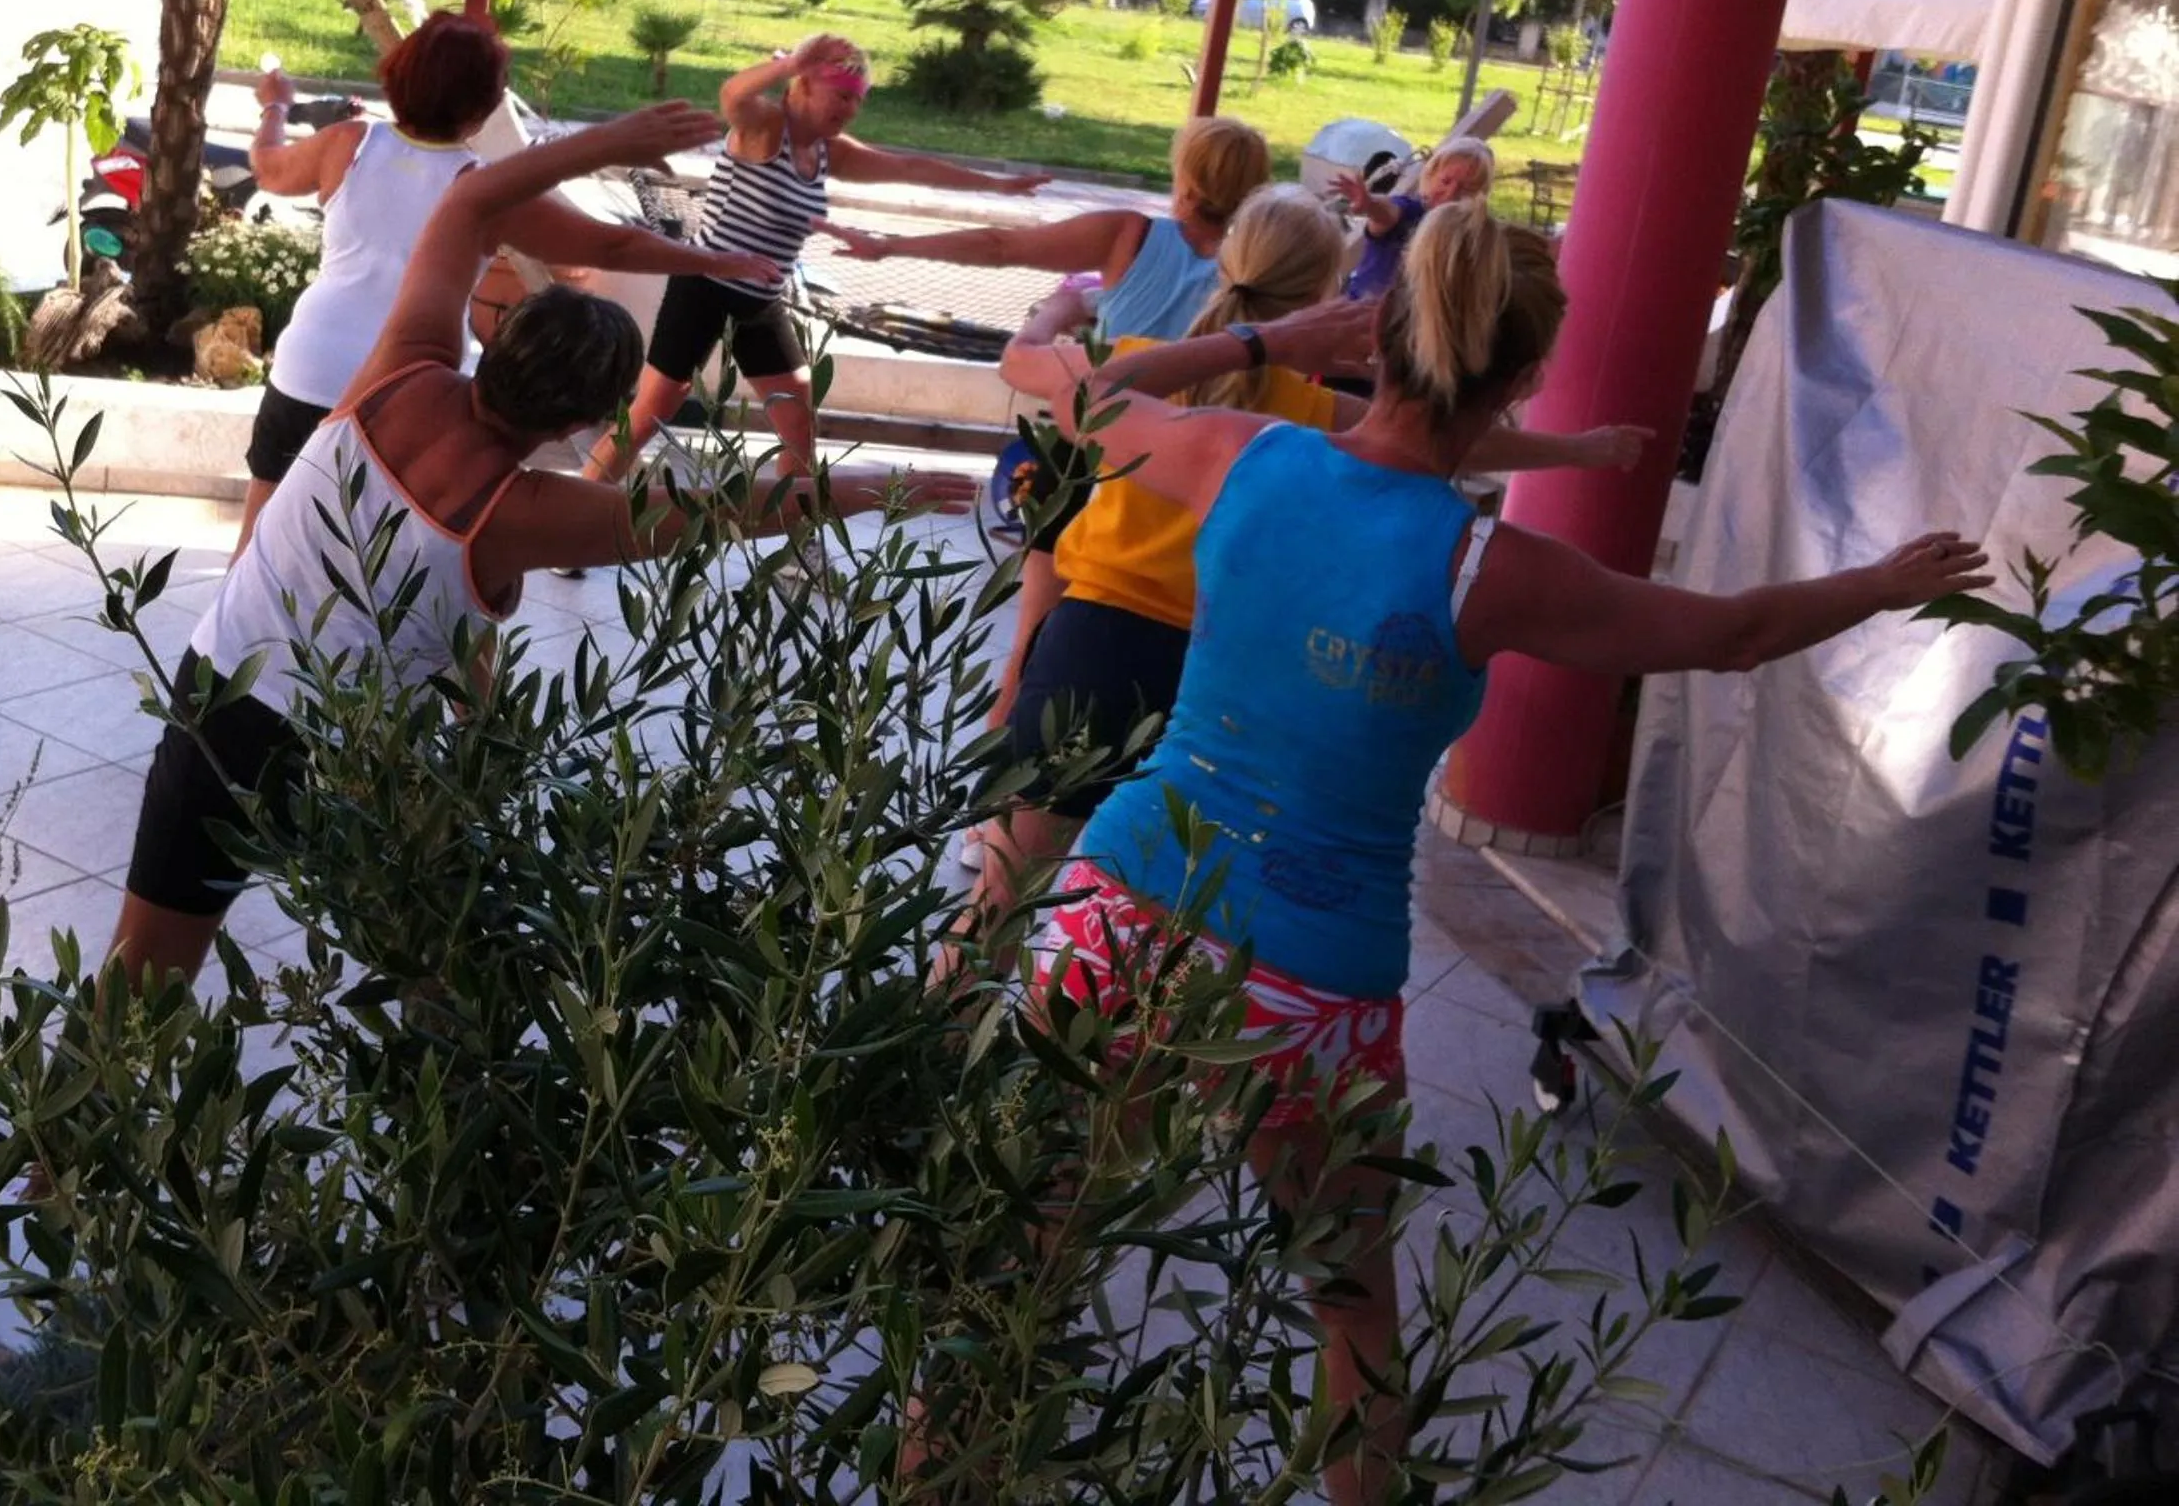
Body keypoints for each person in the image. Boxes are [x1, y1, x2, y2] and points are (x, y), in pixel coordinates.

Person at [999, 198, 1990, 1506]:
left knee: (1023, 1256)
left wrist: (1264, 339)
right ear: (1518, 376)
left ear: (1383, 333)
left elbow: (1085, 392)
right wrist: (1877, 582)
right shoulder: (1494, 567)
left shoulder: (1246, 455)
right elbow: (1731, 631)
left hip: (1124, 900)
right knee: (1354, 1316)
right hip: (1310, 983)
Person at [109, 102, 977, 991]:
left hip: (219, 690)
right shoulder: (522, 513)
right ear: (586, 422)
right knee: (448, 980)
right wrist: (872, 487)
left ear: (499, 336)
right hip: (337, 754)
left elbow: (465, 206)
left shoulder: (400, 371)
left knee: (139, 980)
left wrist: (611, 139)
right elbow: (724, 508)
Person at [967, 188, 1646, 969]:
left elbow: (1036, 374)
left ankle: (923, 1063)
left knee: (1001, 897)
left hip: (1095, 649)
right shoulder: (1309, 415)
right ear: (1327, 293)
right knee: (1173, 922)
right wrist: (1579, 452)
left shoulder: (1142, 367)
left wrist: (1056, 315)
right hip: (1208, 678)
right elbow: (1462, 444)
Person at [238, 11, 783, 555]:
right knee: (398, 561)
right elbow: (608, 245)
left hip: (310, 364)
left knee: (259, 544)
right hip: (415, 390)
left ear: (397, 75)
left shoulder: (348, 144)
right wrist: (715, 261)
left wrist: (276, 105)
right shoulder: (480, 193)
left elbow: (267, 167)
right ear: (480, 110)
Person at [826, 116, 1276, 754]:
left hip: (1090, 448)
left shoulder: (1130, 234)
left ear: (1186, 176)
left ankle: (995, 805)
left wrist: (890, 248)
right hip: (1185, 467)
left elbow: (1000, 245)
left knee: (1034, 635)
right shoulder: (1255, 268)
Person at [577, 35, 1046, 494]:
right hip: (706, 286)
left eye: (856, 101)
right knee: (654, 409)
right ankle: (577, 513)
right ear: (802, 86)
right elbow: (732, 95)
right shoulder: (764, 127)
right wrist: (788, 62)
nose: (849, 109)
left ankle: (794, 553)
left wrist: (998, 186)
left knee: (798, 421)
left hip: (761, 300)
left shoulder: (828, 151)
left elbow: (909, 169)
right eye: (840, 95)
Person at [1336, 135, 1495, 303]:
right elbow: (1388, 213)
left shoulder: (1474, 237)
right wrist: (1370, 203)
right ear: (1430, 176)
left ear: (1481, 196)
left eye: (1467, 188)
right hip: (1366, 315)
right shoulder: (1411, 213)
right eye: (1445, 181)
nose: (1451, 194)